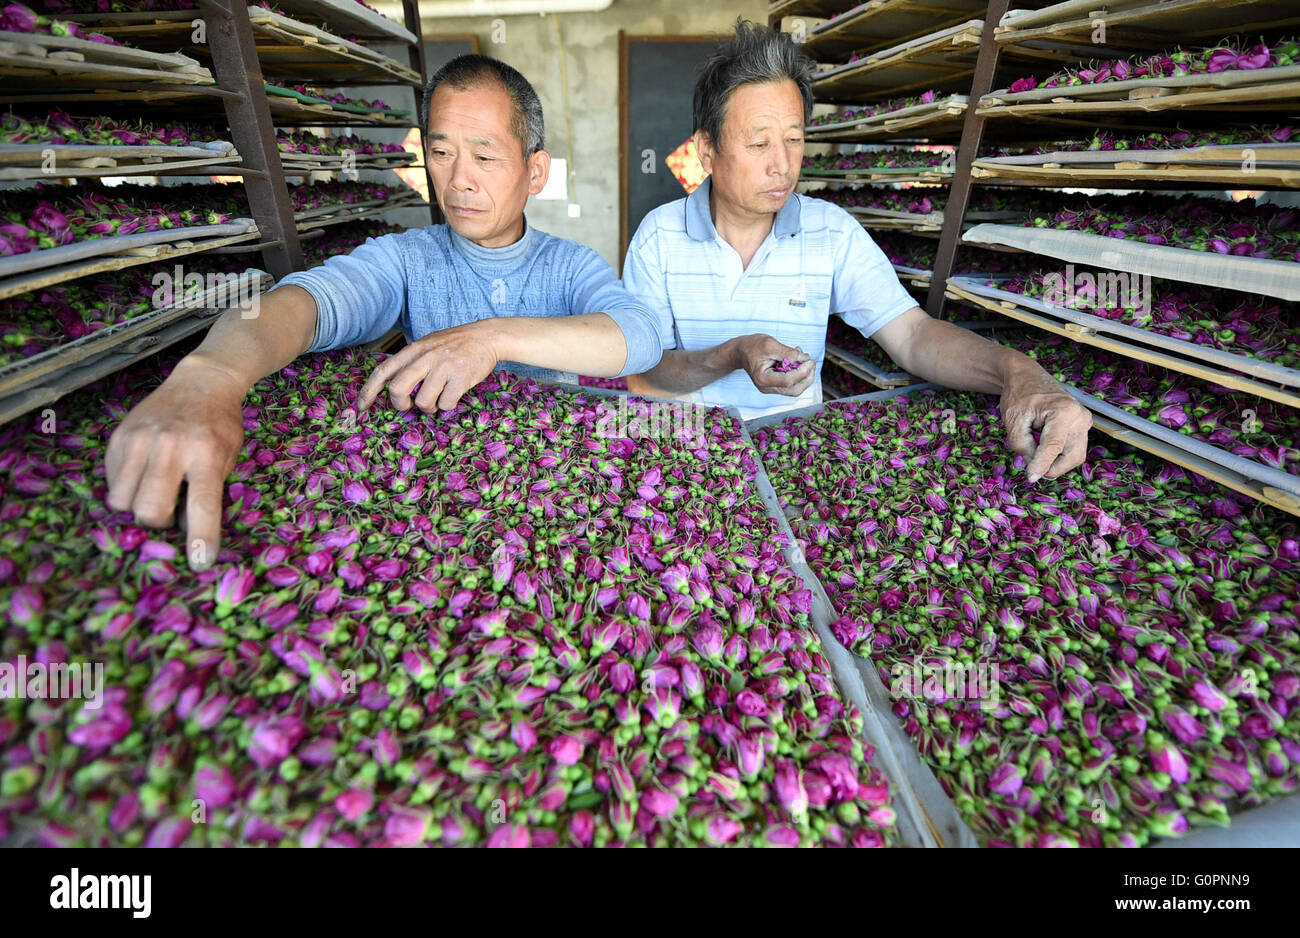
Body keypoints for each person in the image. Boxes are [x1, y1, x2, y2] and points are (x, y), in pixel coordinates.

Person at [106, 54, 663, 568]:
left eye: (486, 156)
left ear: (535, 172)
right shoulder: (404, 259)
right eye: (441, 153)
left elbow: (638, 336)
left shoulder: (570, 266)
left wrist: (491, 338)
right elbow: (303, 305)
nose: (459, 179)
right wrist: (212, 375)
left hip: (548, 492)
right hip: (444, 508)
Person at [623, 20, 1092, 481]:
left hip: (794, 463)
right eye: (759, 143)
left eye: (794, 139)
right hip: (687, 467)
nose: (782, 165)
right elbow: (647, 377)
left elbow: (912, 337)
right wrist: (734, 354)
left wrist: (1019, 372)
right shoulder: (659, 237)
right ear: (707, 151)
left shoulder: (830, 231)